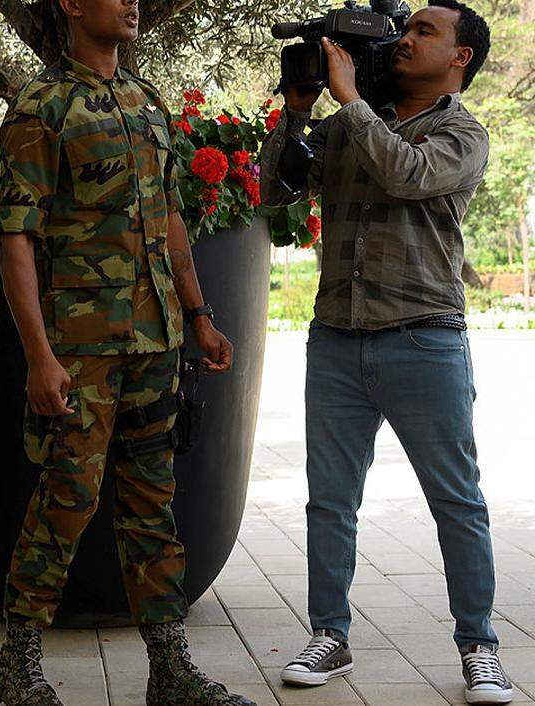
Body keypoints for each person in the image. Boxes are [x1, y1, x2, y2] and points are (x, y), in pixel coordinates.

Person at [0, 0, 248, 703]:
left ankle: (168, 668)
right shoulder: (42, 106)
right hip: (82, 347)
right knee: (68, 498)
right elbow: (16, 236)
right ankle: (16, 658)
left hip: (156, 337)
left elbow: (169, 217)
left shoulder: (145, 100)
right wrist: (39, 356)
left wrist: (199, 315)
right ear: (71, 4)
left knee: (151, 502)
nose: (131, 2)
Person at [259, 2, 509, 702]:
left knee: (456, 502)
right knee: (330, 504)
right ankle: (330, 634)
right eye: (407, 27)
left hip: (425, 338)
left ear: (460, 58)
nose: (406, 37)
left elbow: (406, 174)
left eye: (425, 31)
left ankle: (479, 646)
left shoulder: (462, 132)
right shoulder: (344, 125)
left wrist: (350, 103)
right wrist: (299, 113)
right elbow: (273, 192)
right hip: (336, 337)